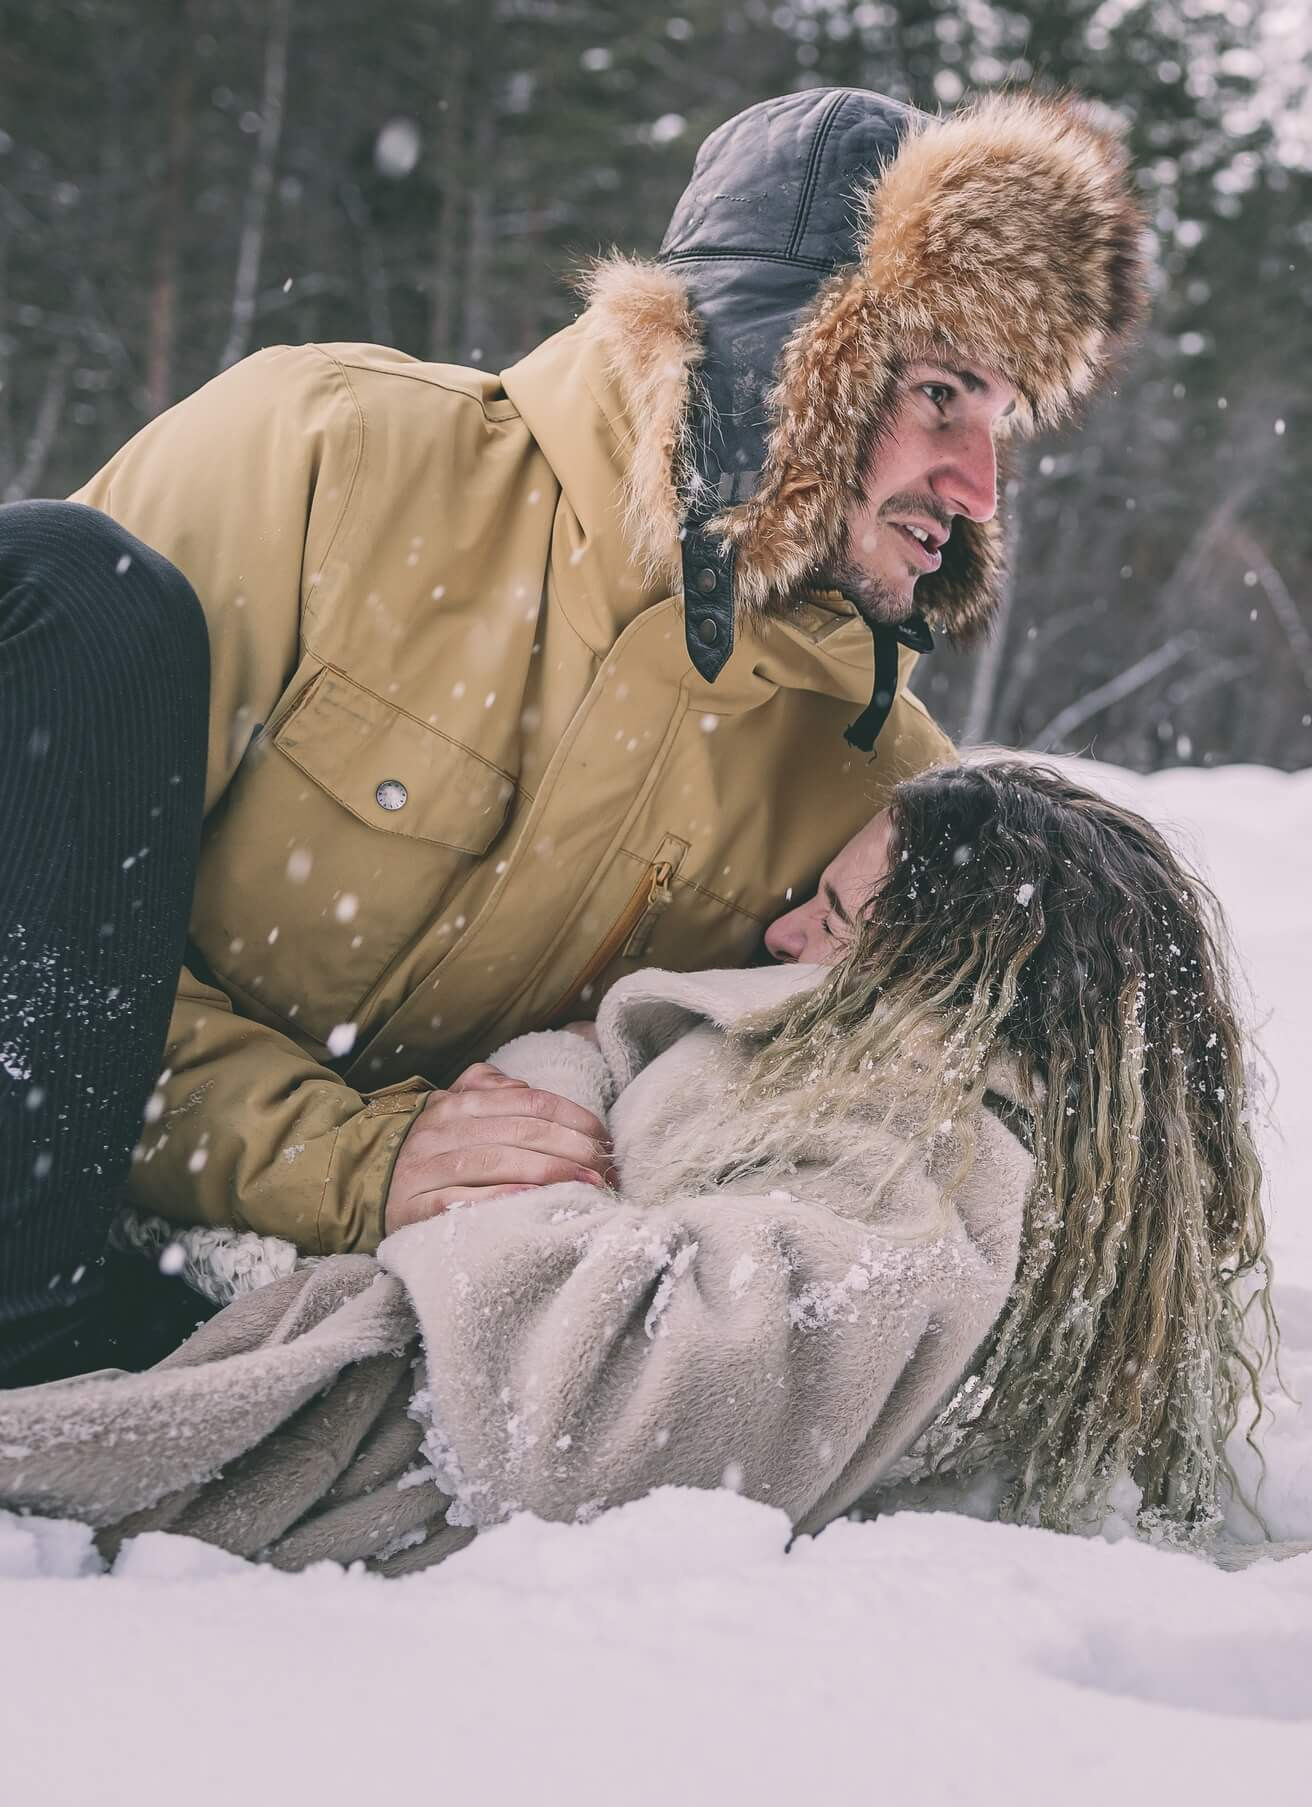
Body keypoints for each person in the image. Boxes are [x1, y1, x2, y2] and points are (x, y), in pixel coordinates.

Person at [0, 87, 1152, 1384]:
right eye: (942, 395)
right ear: (789, 365)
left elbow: (957, 1144)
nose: (980, 484)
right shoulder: (329, 455)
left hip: (288, 1310)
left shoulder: (868, 783)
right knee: (61, 583)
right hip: (41, 1192)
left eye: (998, 419)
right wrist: (343, 1154)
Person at [0, 760, 1276, 1561]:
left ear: (946, 977)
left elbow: (595, 1413)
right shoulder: (915, 1118)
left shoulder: (913, 1165)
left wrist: (548, 1114)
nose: (780, 930)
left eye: (831, 916)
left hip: (291, 1440)